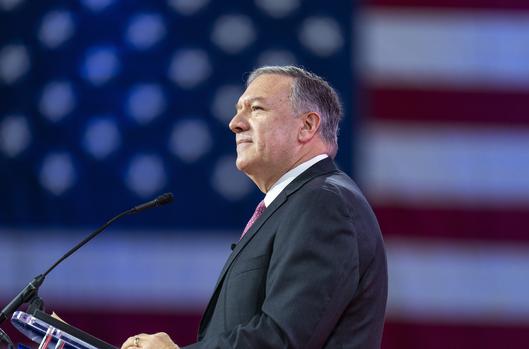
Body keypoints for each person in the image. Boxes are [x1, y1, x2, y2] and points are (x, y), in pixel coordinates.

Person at [121, 66, 388, 349]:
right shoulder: (298, 203)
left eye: (256, 109)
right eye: (239, 110)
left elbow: (283, 339)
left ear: (307, 126)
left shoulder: (323, 202)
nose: (234, 123)